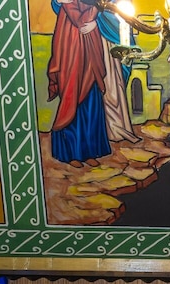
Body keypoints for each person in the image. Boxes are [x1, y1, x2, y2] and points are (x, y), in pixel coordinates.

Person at [48, 0, 115, 167]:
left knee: (91, 108)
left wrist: (94, 23)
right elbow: (79, 19)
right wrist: (95, 14)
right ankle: (72, 154)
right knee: (73, 105)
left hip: (90, 60)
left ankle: (89, 152)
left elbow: (90, 17)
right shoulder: (68, 2)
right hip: (73, 60)